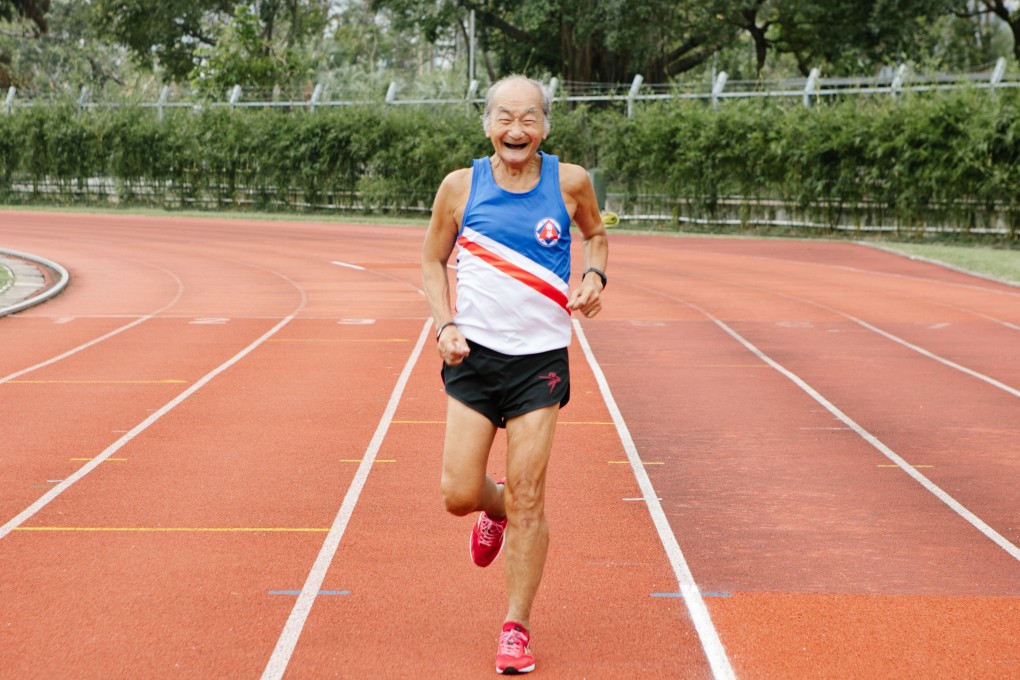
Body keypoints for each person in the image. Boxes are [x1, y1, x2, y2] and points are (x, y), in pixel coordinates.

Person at [421, 74, 609, 675]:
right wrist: (444, 324)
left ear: (545, 126)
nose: (516, 129)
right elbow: (431, 260)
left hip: (540, 364)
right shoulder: (459, 187)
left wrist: (594, 278)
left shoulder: (570, 182)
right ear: (487, 124)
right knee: (456, 493)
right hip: (473, 358)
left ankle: (515, 627)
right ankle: (491, 509)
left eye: (529, 118)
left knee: (531, 496)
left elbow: (597, 238)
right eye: (505, 117)